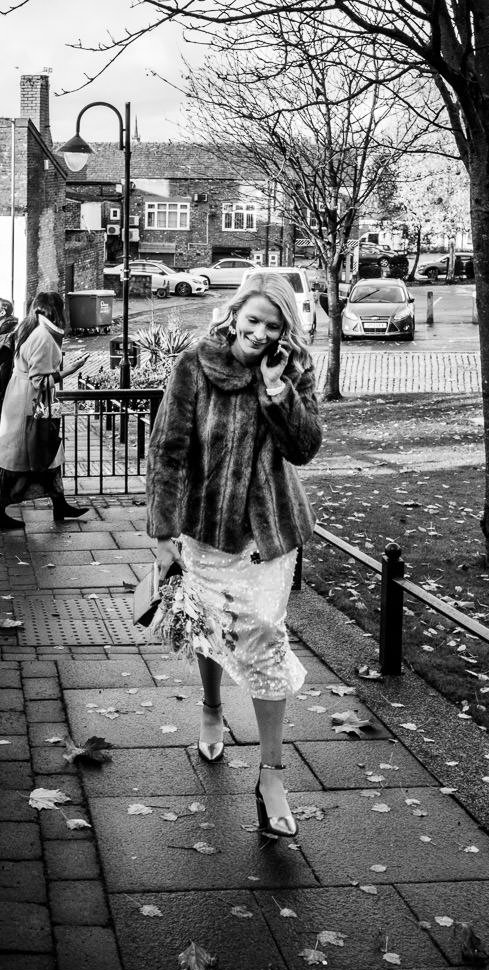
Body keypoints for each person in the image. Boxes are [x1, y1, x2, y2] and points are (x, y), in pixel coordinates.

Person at [146, 272, 322, 842]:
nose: (261, 334)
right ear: (234, 316)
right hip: (206, 530)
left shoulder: (292, 369)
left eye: (273, 326)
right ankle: (212, 706)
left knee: (266, 635)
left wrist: (277, 392)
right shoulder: (196, 364)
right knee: (212, 631)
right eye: (253, 322)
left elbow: (306, 448)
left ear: (284, 331)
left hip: (269, 535)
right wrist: (161, 531)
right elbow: (169, 449)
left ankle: (272, 775)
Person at [0, 291, 90, 531]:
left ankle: (60, 504)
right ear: (56, 310)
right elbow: (39, 381)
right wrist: (70, 370)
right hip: (30, 404)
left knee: (45, 453)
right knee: (25, 459)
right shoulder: (44, 337)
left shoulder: (30, 328)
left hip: (20, 400)